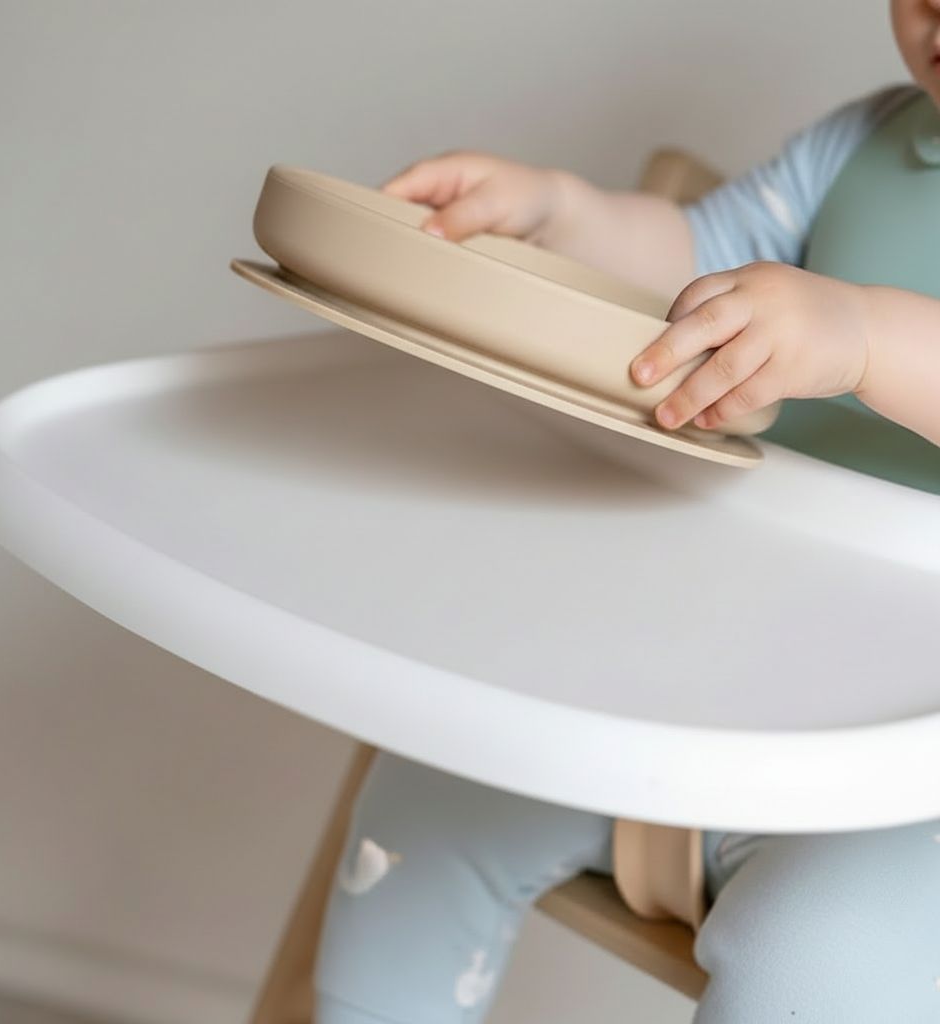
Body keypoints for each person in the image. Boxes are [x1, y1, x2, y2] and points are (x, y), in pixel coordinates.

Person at [313, 2, 940, 1021]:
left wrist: (862, 333)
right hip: (707, 673)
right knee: (424, 798)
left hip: (913, 792)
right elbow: (698, 255)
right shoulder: (863, 143)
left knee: (816, 966)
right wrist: (560, 215)